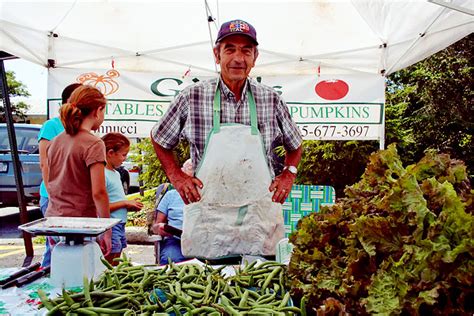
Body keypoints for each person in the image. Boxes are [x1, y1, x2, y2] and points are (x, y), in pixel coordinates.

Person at [150, 19, 303, 258]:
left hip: (258, 217)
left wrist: (288, 174)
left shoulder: (271, 100)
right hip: (208, 216)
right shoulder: (193, 97)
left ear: (255, 57)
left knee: (260, 286)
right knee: (208, 288)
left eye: (246, 50)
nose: (238, 58)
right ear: (217, 54)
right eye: (230, 49)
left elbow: (296, 145)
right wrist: (176, 176)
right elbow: (160, 138)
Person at [46, 85, 112, 255]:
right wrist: (106, 228)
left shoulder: (55, 141)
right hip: (81, 223)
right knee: (83, 275)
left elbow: (50, 180)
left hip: (54, 219)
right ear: (98, 111)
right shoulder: (94, 143)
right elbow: (99, 192)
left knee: (61, 272)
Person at [38, 82, 82, 267]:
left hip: (75, 200)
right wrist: (53, 197)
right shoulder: (51, 126)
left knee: (74, 250)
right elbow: (45, 163)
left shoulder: (81, 128)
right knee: (56, 248)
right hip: (55, 199)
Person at [101, 132, 143, 265]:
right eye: (123, 155)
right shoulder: (102, 174)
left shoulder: (115, 173)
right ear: (110, 153)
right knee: (109, 260)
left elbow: (115, 200)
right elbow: (102, 206)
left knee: (116, 259)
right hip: (110, 225)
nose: (124, 159)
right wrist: (125, 202)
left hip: (119, 224)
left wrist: (128, 206)